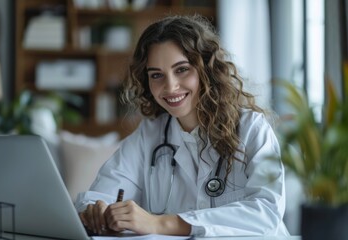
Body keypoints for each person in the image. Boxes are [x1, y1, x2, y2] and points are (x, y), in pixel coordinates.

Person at [75, 15, 289, 237]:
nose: (170, 86)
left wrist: (160, 224)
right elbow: (101, 195)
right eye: (156, 75)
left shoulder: (251, 128)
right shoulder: (150, 135)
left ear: (206, 68)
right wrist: (95, 210)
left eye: (182, 69)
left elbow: (266, 211)